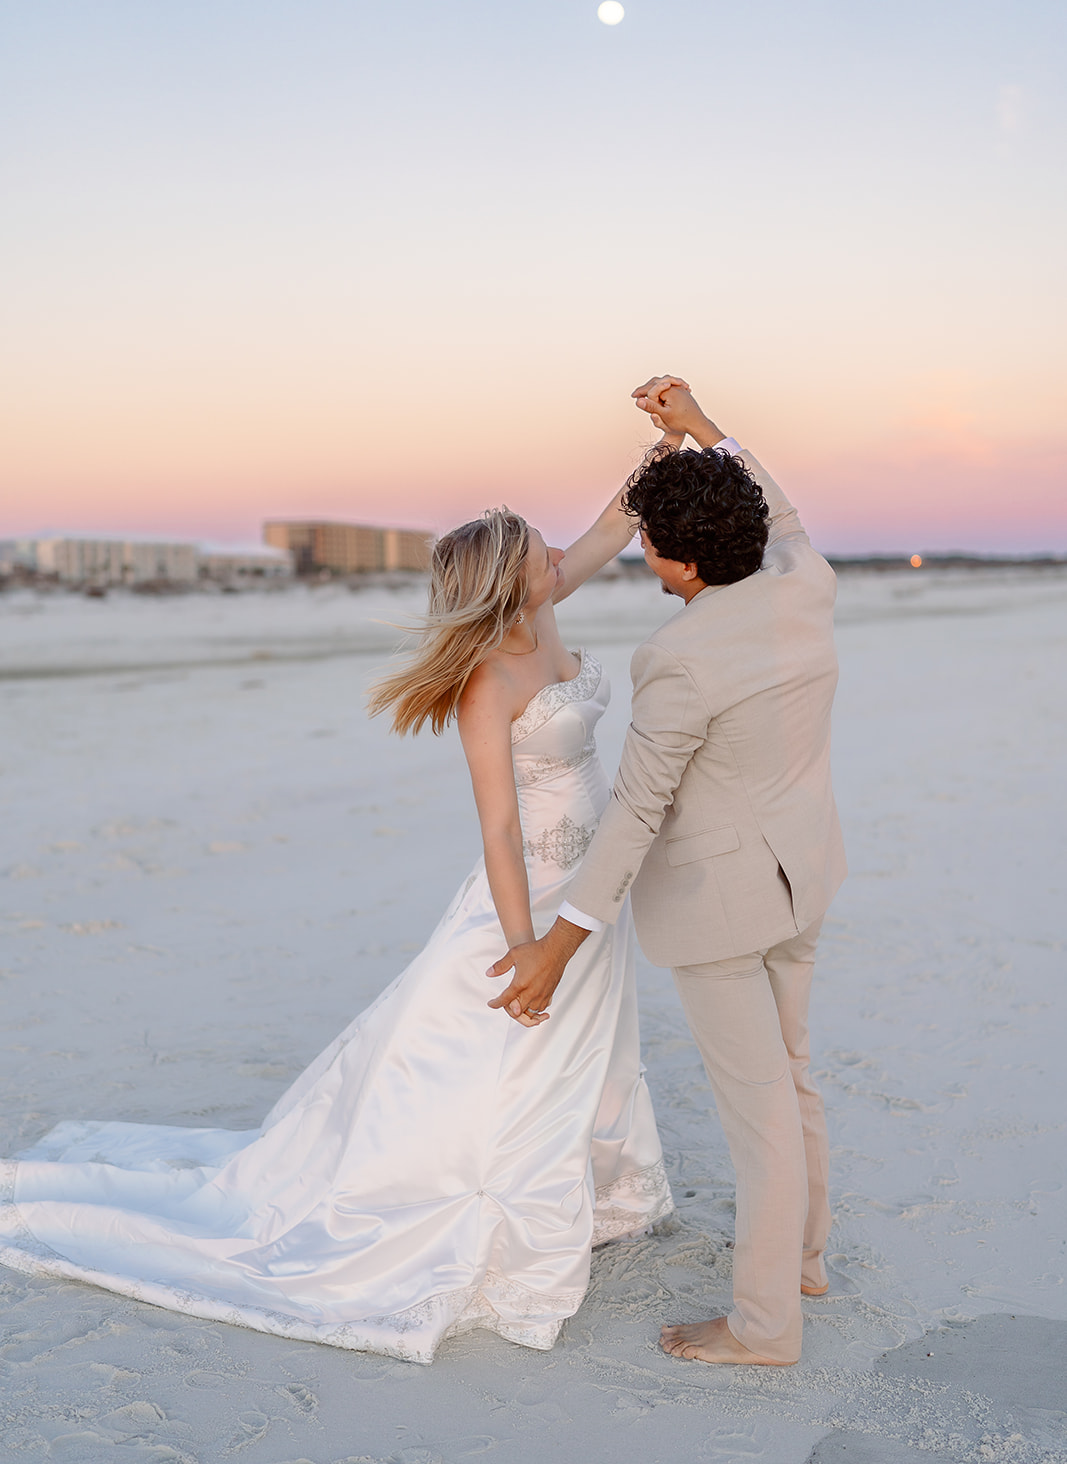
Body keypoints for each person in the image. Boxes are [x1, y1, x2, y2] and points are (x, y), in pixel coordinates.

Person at [0, 426, 676, 1366]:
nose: (556, 553)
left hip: (595, 877)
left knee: (594, 1034)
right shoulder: (487, 680)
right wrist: (525, 945)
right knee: (511, 1045)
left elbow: (610, 524)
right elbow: (497, 831)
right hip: (532, 887)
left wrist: (669, 438)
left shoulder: (546, 609)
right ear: (508, 580)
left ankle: (597, 1189)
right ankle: (483, 1197)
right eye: (537, 551)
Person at [489, 376, 846, 1368]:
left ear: (680, 560)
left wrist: (559, 946)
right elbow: (779, 512)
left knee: (759, 1119)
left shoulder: (679, 655)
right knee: (794, 1079)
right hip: (805, 874)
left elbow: (637, 812)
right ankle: (805, 1261)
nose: (640, 552)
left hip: (724, 908)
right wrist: (702, 429)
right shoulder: (805, 582)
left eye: (647, 541)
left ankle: (764, 1327)